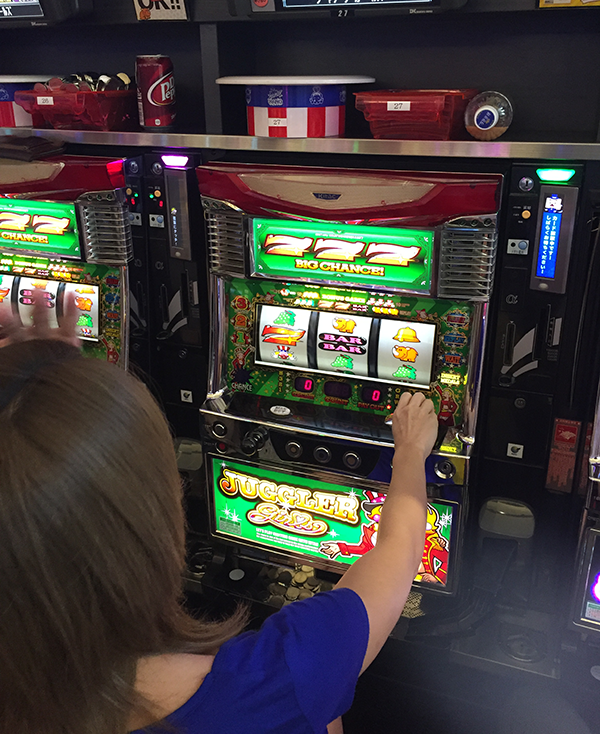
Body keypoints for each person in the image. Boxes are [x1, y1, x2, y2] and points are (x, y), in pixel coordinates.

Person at [0, 293, 438, 734]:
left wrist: (39, 396)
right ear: (151, 529)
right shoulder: (270, 683)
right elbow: (398, 554)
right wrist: (410, 451)